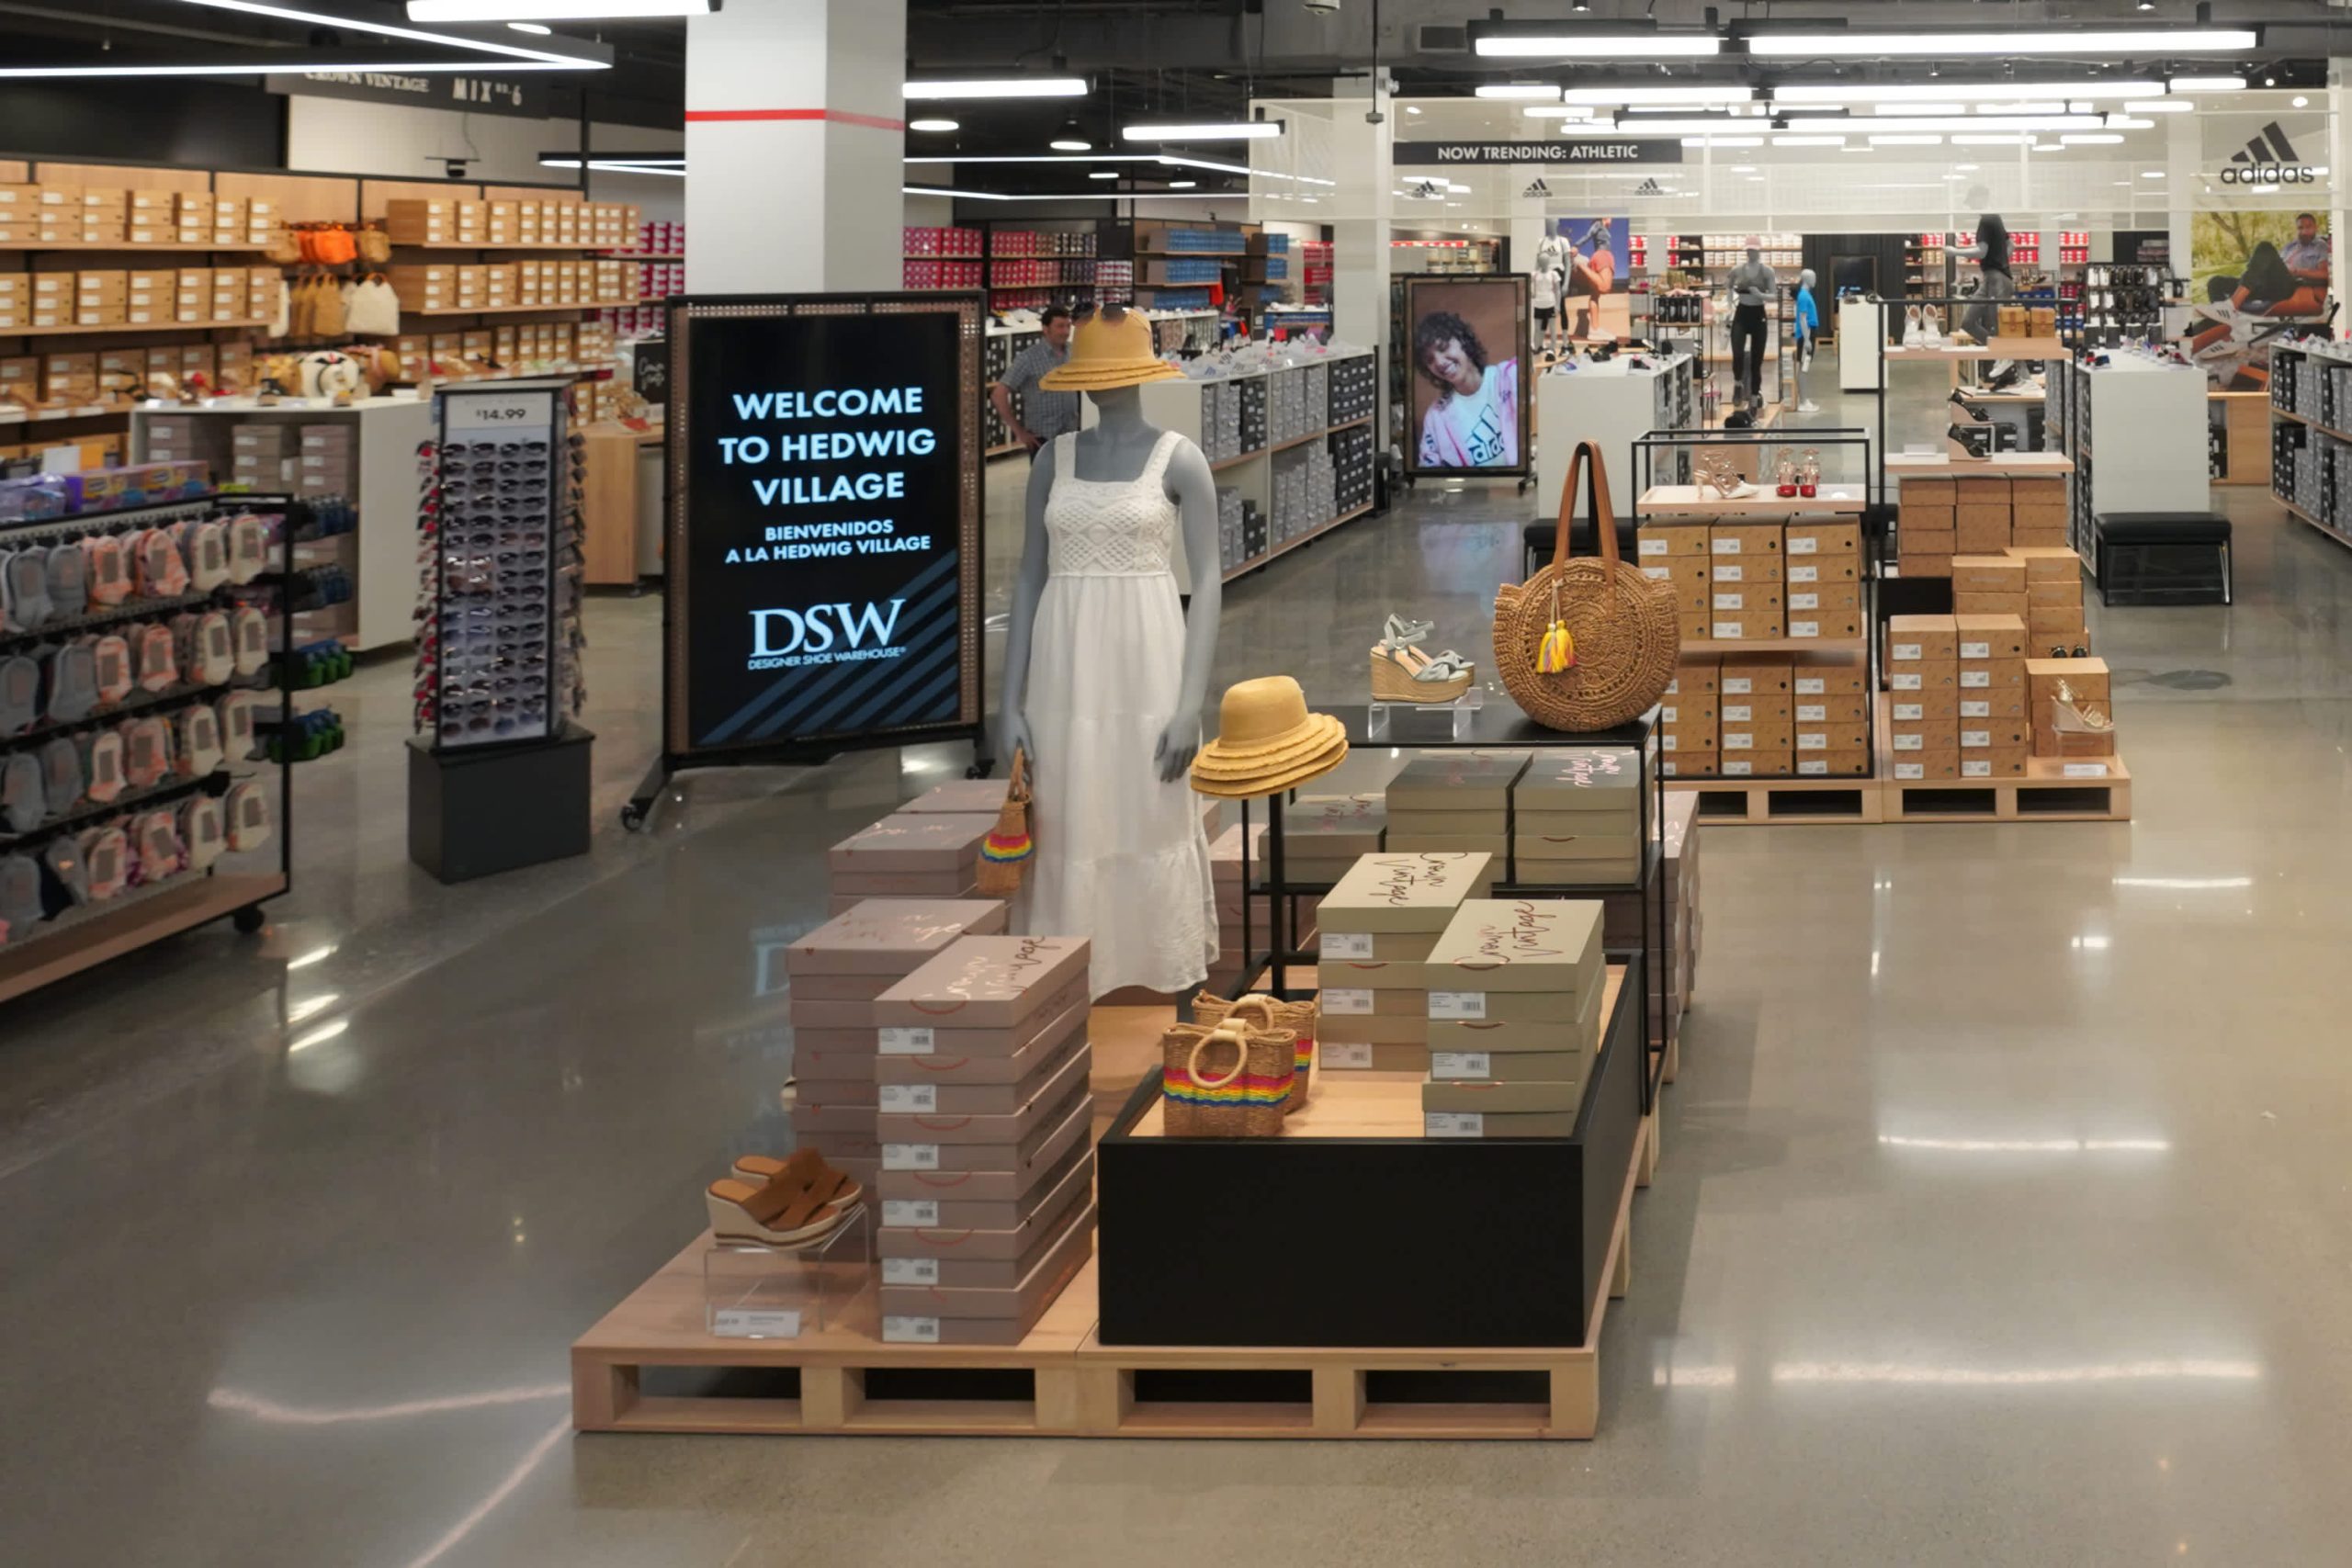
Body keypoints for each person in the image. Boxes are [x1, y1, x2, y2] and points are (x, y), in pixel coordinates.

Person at [1414, 310, 1520, 468]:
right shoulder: (1436, 417)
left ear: (1463, 341)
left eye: (1443, 348)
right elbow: (1429, 472)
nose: (1440, 362)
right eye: (1430, 360)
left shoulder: (1511, 377)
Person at [989, 304, 1080, 457]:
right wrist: (1020, 432)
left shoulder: (1073, 352)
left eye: (1068, 326)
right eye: (1060, 326)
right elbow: (998, 395)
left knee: (1070, 473)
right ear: (1045, 329)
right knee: (1045, 474)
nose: (1066, 331)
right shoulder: (1028, 358)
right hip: (1042, 438)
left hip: (1070, 434)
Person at [1728, 238, 1776, 404]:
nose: (1752, 253)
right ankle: (1737, 384)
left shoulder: (1767, 271)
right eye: (1749, 250)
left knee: (1757, 359)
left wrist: (1760, 295)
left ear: (1759, 251)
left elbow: (1774, 295)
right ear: (1746, 251)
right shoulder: (1737, 270)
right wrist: (1729, 307)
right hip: (1742, 312)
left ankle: (1755, 396)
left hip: (1758, 313)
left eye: (1754, 250)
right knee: (1737, 353)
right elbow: (1728, 287)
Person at [1566, 219, 1617, 341]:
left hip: (1599, 256)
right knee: (1604, 288)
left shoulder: (1602, 227)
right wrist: (1576, 246)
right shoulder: (1598, 224)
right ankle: (1580, 265)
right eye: (1610, 217)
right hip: (1603, 255)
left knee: (1595, 295)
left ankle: (1594, 329)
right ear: (1605, 216)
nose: (1612, 220)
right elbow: (1587, 235)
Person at [1531, 264, 1562, 359]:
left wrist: (1558, 305)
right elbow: (1527, 284)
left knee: (1552, 327)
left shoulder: (1553, 274)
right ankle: (1537, 346)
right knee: (1537, 328)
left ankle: (1552, 348)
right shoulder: (1534, 274)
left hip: (1550, 304)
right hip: (1538, 304)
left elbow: (1558, 290)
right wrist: (1531, 294)